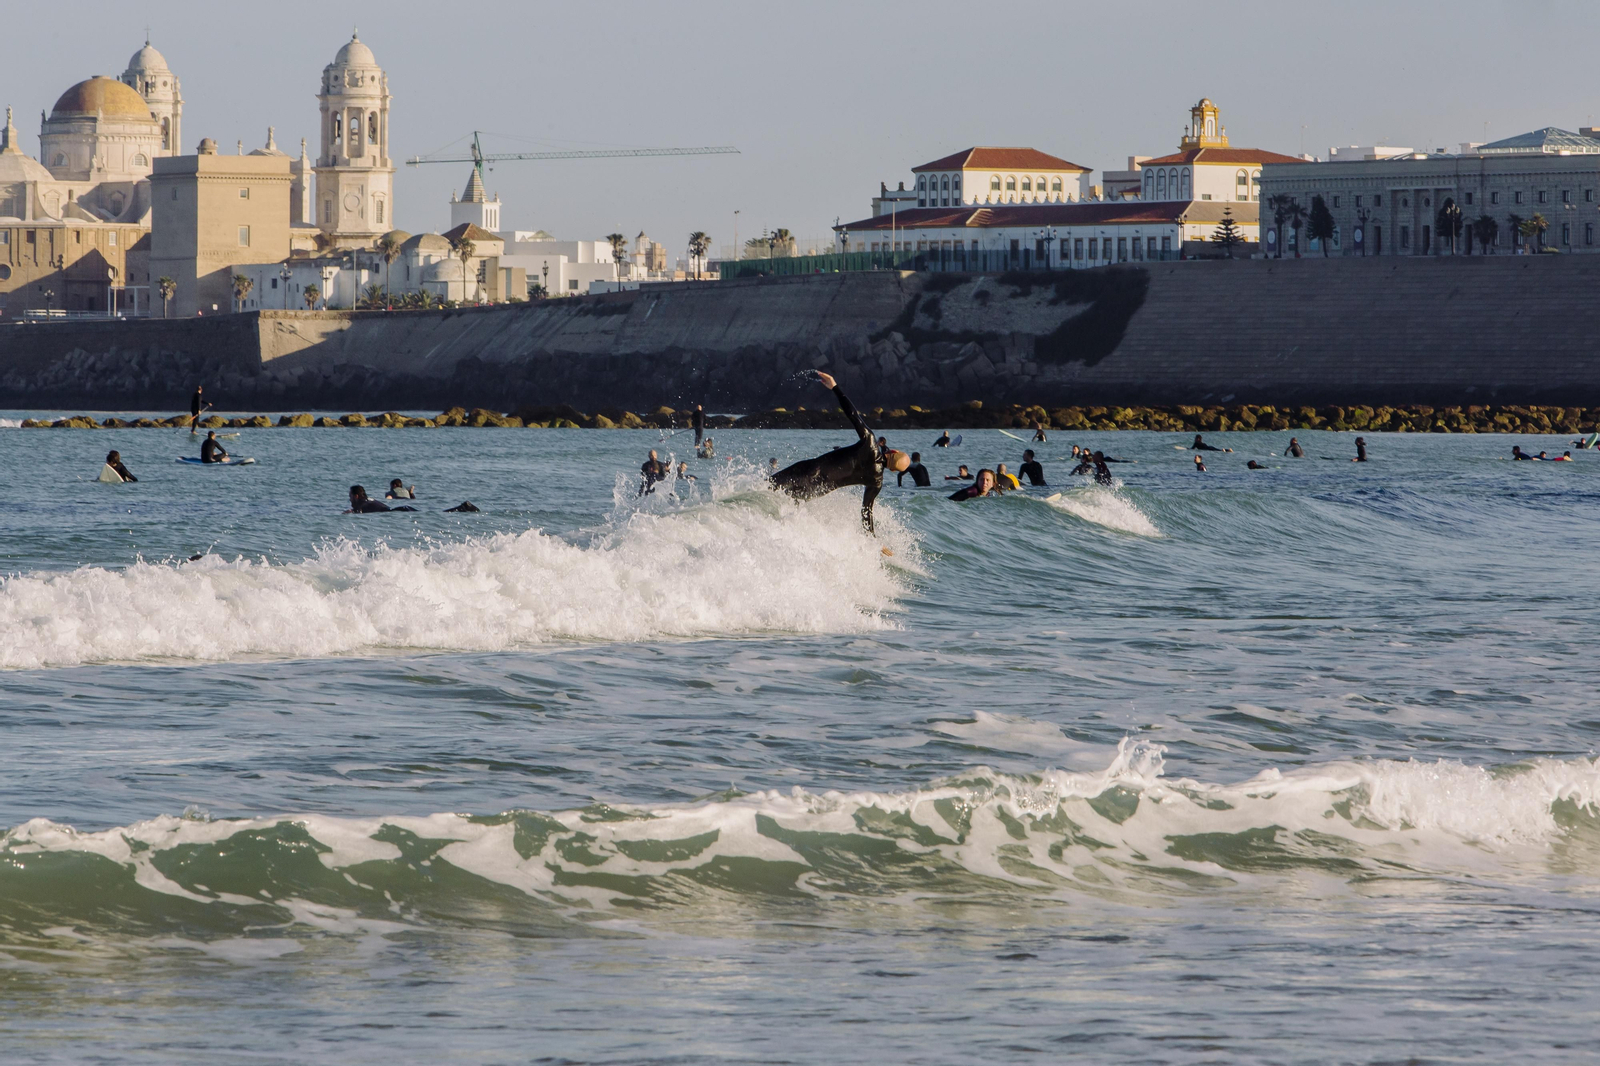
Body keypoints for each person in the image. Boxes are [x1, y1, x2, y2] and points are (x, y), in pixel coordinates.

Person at [770, 370, 909, 533]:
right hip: (815, 491)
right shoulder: (876, 482)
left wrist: (834, 387)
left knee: (766, 490)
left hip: (809, 471)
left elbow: (853, 415)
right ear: (892, 470)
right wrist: (874, 541)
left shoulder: (870, 442)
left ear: (892, 450)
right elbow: (866, 512)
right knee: (777, 508)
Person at [347, 484, 415, 513]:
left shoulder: (361, 503)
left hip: (398, 510)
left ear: (356, 496)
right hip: (401, 508)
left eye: (350, 496)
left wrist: (351, 512)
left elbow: (359, 511)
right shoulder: (369, 500)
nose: (350, 499)